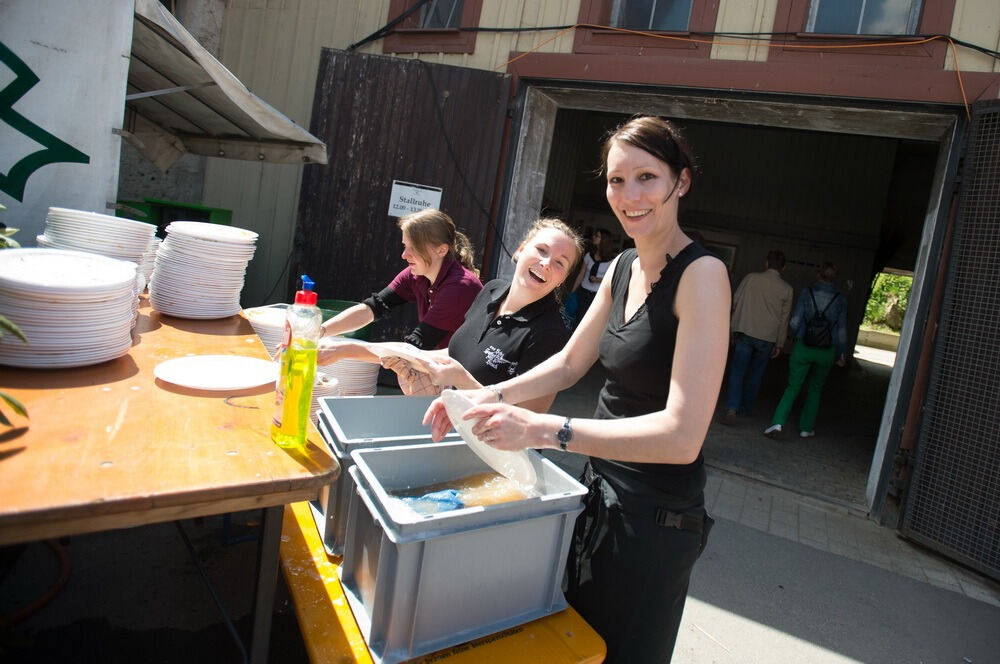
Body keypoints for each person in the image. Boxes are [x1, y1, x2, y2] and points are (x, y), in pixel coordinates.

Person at [424, 116, 731, 662]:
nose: (629, 196)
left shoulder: (702, 276)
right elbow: (568, 365)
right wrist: (485, 397)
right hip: (600, 493)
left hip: (656, 519)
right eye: (616, 180)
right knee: (567, 645)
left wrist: (541, 428)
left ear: (680, 182)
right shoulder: (622, 266)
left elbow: (683, 436)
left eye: (646, 178)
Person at [380, 218, 585, 412]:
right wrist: (411, 356)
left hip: (484, 445)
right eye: (541, 250)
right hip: (449, 422)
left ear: (563, 279)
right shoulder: (491, 290)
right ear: (520, 249)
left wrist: (463, 381)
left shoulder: (551, 334)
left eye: (560, 263)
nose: (547, 263)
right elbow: (461, 351)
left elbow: (526, 418)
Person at [317, 208, 482, 359]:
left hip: (470, 380)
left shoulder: (460, 287)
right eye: (405, 246)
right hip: (445, 367)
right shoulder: (417, 274)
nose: (404, 255)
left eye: (414, 248)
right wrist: (319, 331)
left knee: (408, 374)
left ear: (441, 250)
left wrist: (344, 351)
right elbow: (372, 308)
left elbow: (415, 347)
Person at [764, 261, 847, 439]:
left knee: (792, 387)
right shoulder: (840, 298)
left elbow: (794, 321)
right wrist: (841, 353)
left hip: (804, 346)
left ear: (818, 274)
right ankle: (806, 428)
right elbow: (841, 329)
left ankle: (777, 423)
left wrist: (802, 333)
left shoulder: (807, 292)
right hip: (827, 351)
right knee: (815, 388)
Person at [722, 249, 793, 423]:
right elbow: (784, 320)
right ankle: (746, 408)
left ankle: (732, 408)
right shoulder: (787, 289)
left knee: (738, 371)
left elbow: (735, 302)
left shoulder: (751, 278)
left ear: (766, 263)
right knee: (756, 374)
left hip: (745, 330)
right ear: (783, 268)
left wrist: (730, 327)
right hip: (767, 337)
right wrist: (780, 343)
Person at [570, 228, 613, 325]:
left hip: (597, 297)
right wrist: (573, 292)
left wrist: (597, 279)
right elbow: (581, 274)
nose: (593, 237)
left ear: (604, 240)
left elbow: (611, 281)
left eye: (597, 236)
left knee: (589, 323)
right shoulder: (589, 256)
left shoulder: (611, 261)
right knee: (577, 319)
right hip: (583, 293)